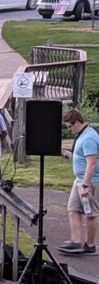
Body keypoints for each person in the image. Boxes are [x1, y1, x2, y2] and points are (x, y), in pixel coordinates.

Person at [58, 109, 99, 255]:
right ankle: (75, 242)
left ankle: (90, 245)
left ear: (77, 123)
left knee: (91, 213)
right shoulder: (83, 135)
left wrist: (86, 185)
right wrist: (71, 155)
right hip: (79, 180)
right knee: (73, 209)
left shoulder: (89, 138)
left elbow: (92, 164)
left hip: (89, 182)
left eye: (70, 126)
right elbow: (83, 156)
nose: (69, 130)